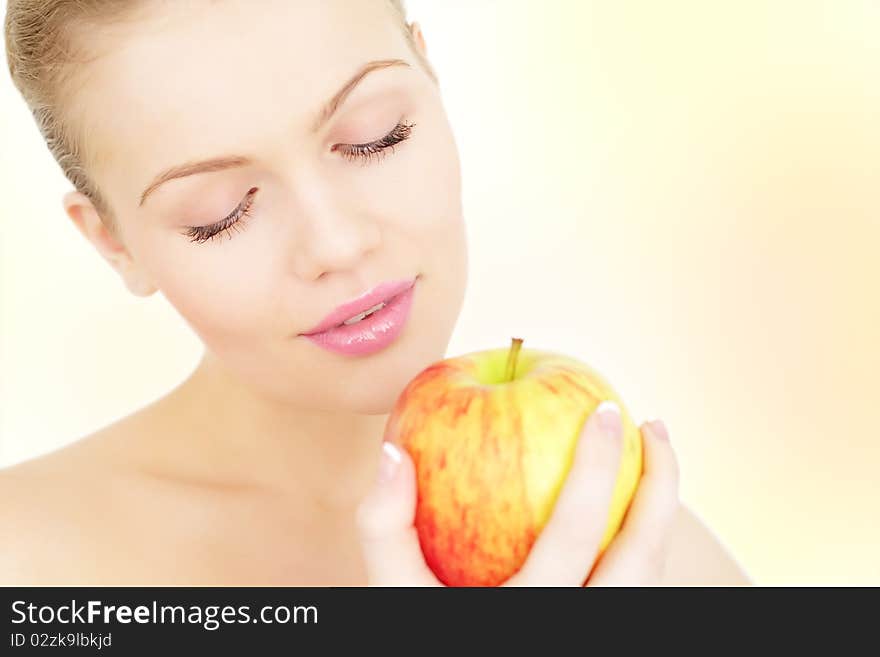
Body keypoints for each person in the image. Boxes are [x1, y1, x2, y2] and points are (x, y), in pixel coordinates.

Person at [1, 0, 750, 586]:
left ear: (430, 74)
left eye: (375, 136)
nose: (335, 244)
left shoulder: (633, 557)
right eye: (220, 212)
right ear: (113, 241)